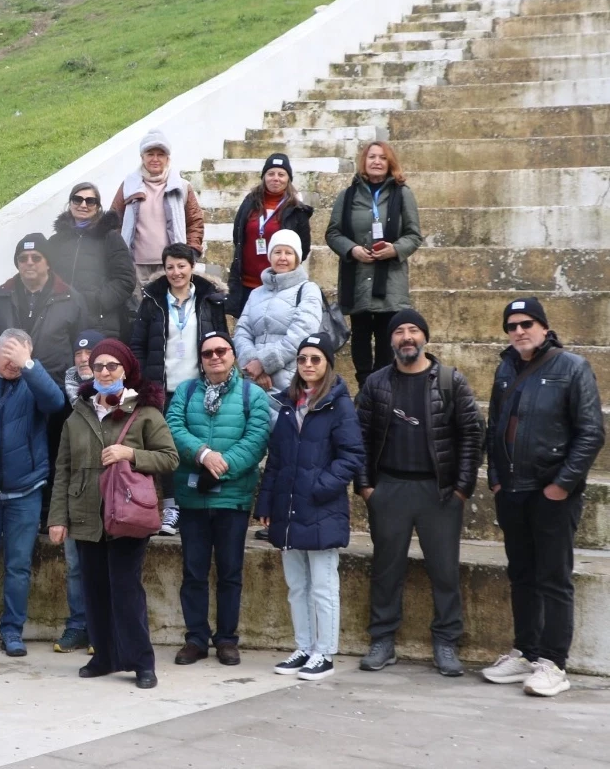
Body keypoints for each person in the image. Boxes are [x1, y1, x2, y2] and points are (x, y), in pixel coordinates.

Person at [481, 298, 604, 697]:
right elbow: (494, 426)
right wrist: (496, 478)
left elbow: (590, 433)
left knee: (553, 577)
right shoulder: (505, 368)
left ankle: (554, 663)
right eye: (512, 325)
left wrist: (562, 485)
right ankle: (526, 652)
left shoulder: (572, 368)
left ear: (544, 326)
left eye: (527, 323)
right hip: (512, 491)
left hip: (552, 493)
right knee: (522, 574)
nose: (519, 331)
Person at [354, 309, 484, 677]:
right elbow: (359, 439)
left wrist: (462, 488)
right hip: (389, 489)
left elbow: (472, 436)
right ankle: (382, 640)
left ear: (424, 336)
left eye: (413, 330)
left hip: (439, 492)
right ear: (391, 339)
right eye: (399, 332)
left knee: (444, 571)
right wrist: (366, 488)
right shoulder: (377, 383)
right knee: (386, 569)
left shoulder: (450, 381)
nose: (406, 337)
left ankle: (446, 642)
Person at [47, 338, 180, 689]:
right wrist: (57, 518)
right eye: (99, 366)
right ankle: (104, 656)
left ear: (126, 371)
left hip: (127, 515)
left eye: (112, 366)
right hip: (86, 514)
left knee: (125, 589)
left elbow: (169, 458)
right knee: (94, 589)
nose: (105, 372)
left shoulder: (146, 412)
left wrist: (130, 454)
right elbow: (63, 469)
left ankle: (142, 661)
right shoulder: (78, 414)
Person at [256, 336, 365, 682]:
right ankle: (303, 646)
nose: (308, 365)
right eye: (303, 358)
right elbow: (275, 460)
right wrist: (266, 500)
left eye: (315, 359)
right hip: (288, 508)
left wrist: (319, 486)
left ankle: (325, 652)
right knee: (297, 586)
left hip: (320, 508)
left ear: (327, 364)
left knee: (323, 585)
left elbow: (352, 457)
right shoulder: (289, 405)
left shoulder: (339, 405)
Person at [166, 330, 271, 667]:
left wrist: (219, 467)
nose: (214, 357)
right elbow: (173, 427)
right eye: (208, 353)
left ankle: (227, 639)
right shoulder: (186, 391)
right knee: (193, 572)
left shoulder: (252, 395)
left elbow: (256, 440)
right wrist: (202, 453)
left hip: (232, 498)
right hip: (194, 498)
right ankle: (196, 638)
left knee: (230, 572)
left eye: (221, 351)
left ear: (233, 355)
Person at [0, 329, 66, 657]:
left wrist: (30, 366)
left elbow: (57, 402)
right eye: (9, 353)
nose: (13, 362)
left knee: (19, 566)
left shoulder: (34, 383)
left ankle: (12, 630)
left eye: (21, 355)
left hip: (27, 490)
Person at [129, 243, 226, 534]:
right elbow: (138, 346)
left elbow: (221, 341)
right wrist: (144, 383)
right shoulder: (152, 301)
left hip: (199, 386)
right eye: (170, 266)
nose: (176, 272)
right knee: (166, 445)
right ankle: (171, 506)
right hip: (163, 388)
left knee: (198, 442)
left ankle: (196, 503)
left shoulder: (210, 300)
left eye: (181, 266)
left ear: (192, 266)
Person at [325, 141, 423, 387]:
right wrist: (353, 250)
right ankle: (364, 387)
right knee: (360, 334)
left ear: (390, 163)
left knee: (385, 334)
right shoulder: (347, 195)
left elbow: (413, 235)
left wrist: (394, 250)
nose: (377, 161)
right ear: (364, 162)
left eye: (382, 157)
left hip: (389, 281)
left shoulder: (403, 194)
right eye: (372, 157)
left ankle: (383, 386)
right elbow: (333, 233)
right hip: (357, 277)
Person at [0, 233, 88, 385]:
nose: (29, 262)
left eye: (36, 257)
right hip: (9, 384)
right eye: (23, 258)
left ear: (48, 263)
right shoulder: (0, 297)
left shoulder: (71, 299)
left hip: (54, 383)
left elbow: (78, 345)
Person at [54, 329, 103, 654]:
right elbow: (62, 464)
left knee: (107, 567)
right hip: (75, 494)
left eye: (91, 355)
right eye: (78, 354)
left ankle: (102, 629)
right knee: (75, 567)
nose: (84, 359)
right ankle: (78, 626)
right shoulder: (66, 402)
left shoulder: (122, 400)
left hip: (109, 497)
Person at [111, 129, 204, 289]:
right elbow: (113, 221)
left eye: (160, 154)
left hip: (171, 267)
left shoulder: (181, 186)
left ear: (168, 158)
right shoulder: (129, 185)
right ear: (142, 157)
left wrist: (191, 252)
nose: (155, 159)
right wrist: (118, 256)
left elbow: (195, 222)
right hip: (135, 266)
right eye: (150, 154)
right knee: (138, 311)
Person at [225, 154, 313, 318]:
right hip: (247, 283)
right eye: (271, 173)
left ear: (288, 179)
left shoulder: (297, 209)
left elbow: (303, 248)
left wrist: (283, 265)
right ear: (264, 177)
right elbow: (238, 236)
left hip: (279, 285)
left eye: (281, 174)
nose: (276, 178)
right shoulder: (250, 202)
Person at [233, 231, 323, 393]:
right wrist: (253, 364)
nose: (282, 257)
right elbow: (242, 332)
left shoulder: (308, 290)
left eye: (288, 253)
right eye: (277, 252)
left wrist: (264, 363)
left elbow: (301, 334)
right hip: (253, 379)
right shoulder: (256, 293)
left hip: (290, 381)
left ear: (297, 258)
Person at [46, 183, 135, 338]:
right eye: (77, 199)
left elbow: (125, 280)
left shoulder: (111, 237)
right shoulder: (55, 241)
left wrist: (97, 302)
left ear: (97, 206)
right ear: (70, 203)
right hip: (61, 320)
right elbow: (45, 277)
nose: (83, 205)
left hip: (100, 322)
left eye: (90, 201)